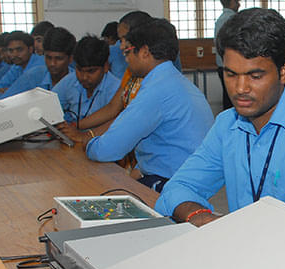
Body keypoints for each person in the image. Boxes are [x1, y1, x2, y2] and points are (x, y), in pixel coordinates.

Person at [155, 8, 285, 228]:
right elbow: (175, 190)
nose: (240, 88)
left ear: (283, 72)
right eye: (230, 74)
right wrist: (203, 218)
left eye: (255, 76)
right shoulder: (227, 125)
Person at [64, 18, 213, 192]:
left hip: (174, 185)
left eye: (127, 52)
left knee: (89, 190)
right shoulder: (172, 81)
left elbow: (108, 149)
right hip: (185, 178)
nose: (126, 59)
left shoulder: (157, 90)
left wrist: (88, 142)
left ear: (144, 52)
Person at [53, 35, 122, 124]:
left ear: (105, 67)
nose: (84, 77)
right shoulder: (71, 80)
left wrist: (76, 127)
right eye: (79, 70)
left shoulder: (116, 89)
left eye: (91, 71)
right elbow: (49, 104)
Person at [214, 0, 241, 110]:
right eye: (238, 1)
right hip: (233, 66)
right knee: (235, 100)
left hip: (222, 65)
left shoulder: (220, 20)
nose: (239, 4)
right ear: (232, 2)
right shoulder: (233, 20)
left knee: (228, 98)